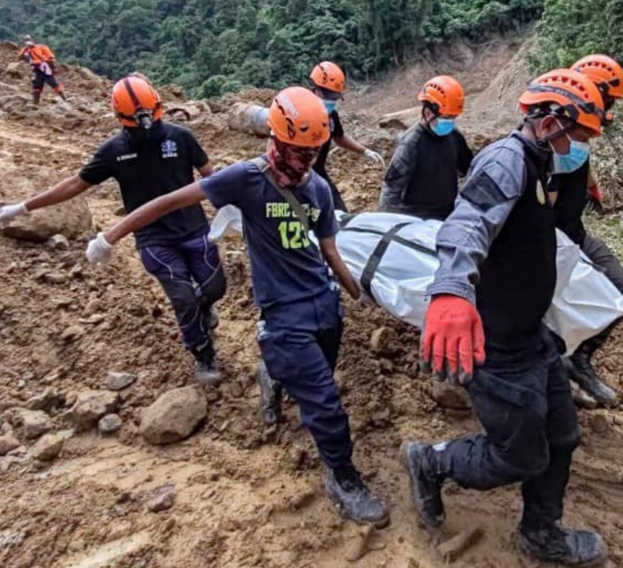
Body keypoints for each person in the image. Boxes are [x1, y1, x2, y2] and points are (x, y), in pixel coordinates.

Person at [84, 87, 390, 527]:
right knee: (325, 403)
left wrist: (355, 291)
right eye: (300, 152)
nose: (306, 162)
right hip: (283, 313)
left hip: (323, 304)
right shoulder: (245, 179)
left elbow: (328, 247)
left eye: (314, 153)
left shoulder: (318, 188)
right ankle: (343, 477)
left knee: (321, 369)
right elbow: (169, 201)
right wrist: (109, 236)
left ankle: (273, 374)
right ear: (278, 140)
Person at [401, 69, 609, 566]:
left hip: (532, 337)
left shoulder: (537, 163)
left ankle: (541, 531)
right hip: (495, 345)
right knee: (521, 455)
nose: (579, 144)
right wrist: (451, 290)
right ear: (554, 120)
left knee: (563, 436)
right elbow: (466, 224)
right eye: (578, 132)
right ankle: (430, 462)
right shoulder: (506, 160)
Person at [0, 76, 225, 384]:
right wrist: (25, 207)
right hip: (154, 237)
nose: (147, 128)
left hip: (194, 228)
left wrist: (232, 202)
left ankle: (204, 308)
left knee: (214, 287)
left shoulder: (182, 138)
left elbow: (211, 175)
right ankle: (203, 353)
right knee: (182, 298)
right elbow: (75, 184)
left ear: (159, 109)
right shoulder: (113, 152)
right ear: (121, 119)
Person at [551, 55, 623, 408]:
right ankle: (554, 377)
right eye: (610, 99)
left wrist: (593, 187)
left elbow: (583, 159)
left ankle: (579, 359)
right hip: (550, 243)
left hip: (575, 233)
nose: (610, 108)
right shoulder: (553, 134)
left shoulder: (581, 132)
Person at [378, 75, 474, 220]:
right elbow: (391, 189)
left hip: (446, 214)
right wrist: (386, 223)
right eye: (446, 118)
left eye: (453, 118)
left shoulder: (454, 137)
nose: (450, 122)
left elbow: (469, 168)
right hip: (416, 218)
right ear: (428, 113)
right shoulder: (411, 143)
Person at [308, 61, 385, 212]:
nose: (331, 100)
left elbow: (339, 137)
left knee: (338, 212)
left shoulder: (331, 116)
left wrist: (364, 151)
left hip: (318, 172)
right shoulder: (299, 113)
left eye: (334, 96)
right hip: (296, 175)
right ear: (315, 89)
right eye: (328, 95)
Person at [17, 35, 66, 105]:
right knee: (37, 85)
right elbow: (19, 57)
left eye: (28, 40)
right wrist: (25, 50)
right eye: (26, 41)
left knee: (53, 83)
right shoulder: (26, 51)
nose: (28, 42)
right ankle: (35, 103)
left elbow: (51, 57)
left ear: (32, 40)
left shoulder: (41, 47)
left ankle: (64, 98)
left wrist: (48, 62)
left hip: (45, 68)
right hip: (37, 69)